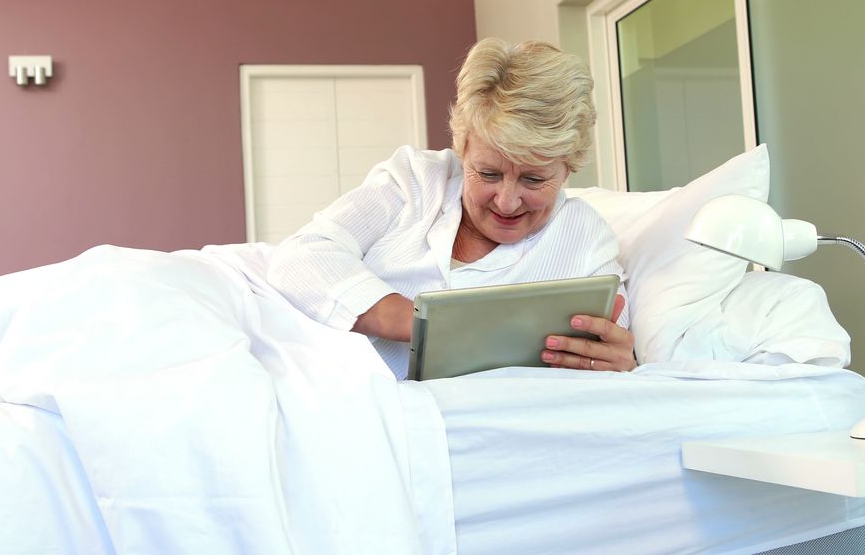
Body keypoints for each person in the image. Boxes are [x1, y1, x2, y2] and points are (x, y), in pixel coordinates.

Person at [266, 38, 636, 380]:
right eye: (488, 173)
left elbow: (613, 358)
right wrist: (421, 323)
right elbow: (301, 256)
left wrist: (623, 364)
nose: (507, 201)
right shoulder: (415, 180)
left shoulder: (586, 239)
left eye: (534, 180)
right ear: (462, 150)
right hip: (326, 387)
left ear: (569, 166)